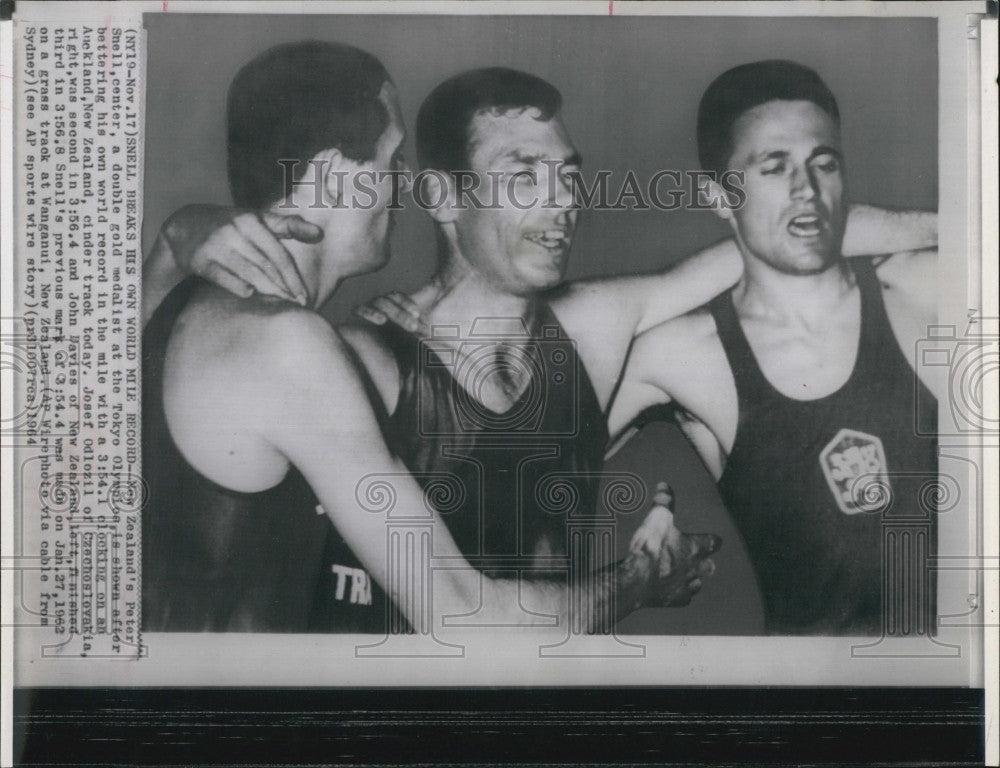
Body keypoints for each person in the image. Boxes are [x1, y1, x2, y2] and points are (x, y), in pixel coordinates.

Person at [145, 62, 936, 629]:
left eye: (568, 175)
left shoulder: (594, 329)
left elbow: (774, 234)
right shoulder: (352, 358)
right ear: (444, 197)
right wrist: (636, 582)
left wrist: (951, 221)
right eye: (525, 176)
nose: (562, 203)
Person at [142, 42, 713, 634]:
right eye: (392, 160)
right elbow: (467, 621)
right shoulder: (286, 346)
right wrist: (641, 580)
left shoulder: (186, 304)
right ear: (339, 177)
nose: (403, 182)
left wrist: (175, 235)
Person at [608, 60, 939, 635]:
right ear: (720, 196)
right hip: (813, 702)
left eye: (824, 164)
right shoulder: (679, 352)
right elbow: (515, 470)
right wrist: (636, 565)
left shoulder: (923, 292)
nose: (806, 190)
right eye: (774, 167)